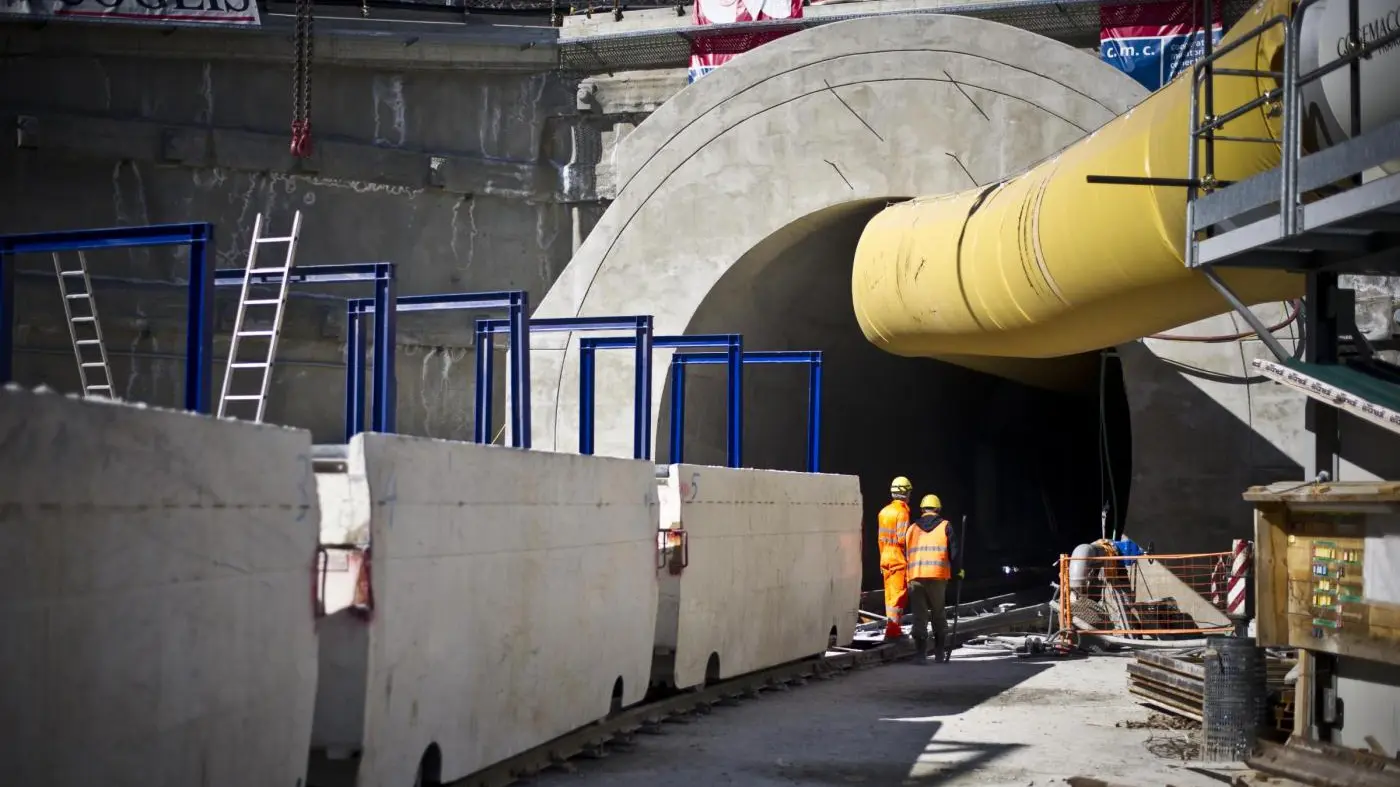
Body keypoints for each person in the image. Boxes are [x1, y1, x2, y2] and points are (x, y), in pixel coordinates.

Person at [900, 493, 961, 664]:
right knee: (938, 613)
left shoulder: (911, 528)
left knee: (919, 616)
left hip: (916, 577)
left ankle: (920, 655)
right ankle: (940, 653)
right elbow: (954, 553)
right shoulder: (946, 526)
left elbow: (906, 552)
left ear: (922, 510)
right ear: (938, 509)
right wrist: (958, 572)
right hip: (937, 577)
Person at [877, 477, 913, 641]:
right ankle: (893, 631)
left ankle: (891, 627)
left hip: (885, 557)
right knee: (899, 595)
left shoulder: (883, 512)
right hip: (898, 558)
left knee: (889, 595)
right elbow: (902, 539)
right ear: (905, 493)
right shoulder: (903, 512)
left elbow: (880, 539)